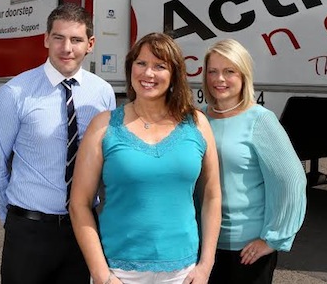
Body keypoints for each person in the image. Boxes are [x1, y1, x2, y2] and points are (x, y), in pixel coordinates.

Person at [0, 3, 116, 284]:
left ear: (90, 44)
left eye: (76, 40)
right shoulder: (14, 93)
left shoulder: (103, 93)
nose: (67, 48)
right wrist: (13, 221)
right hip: (29, 230)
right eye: (58, 37)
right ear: (46, 39)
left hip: (83, 229)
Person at [69, 32, 221, 284]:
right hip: (119, 272)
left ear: (174, 75)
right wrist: (101, 274)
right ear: (130, 69)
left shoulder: (197, 124)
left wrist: (205, 265)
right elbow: (79, 204)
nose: (148, 74)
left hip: (182, 272)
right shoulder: (104, 126)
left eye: (159, 66)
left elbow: (212, 196)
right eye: (141, 63)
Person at [201, 39, 307, 284]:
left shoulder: (260, 120)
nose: (220, 79)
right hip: (204, 242)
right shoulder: (199, 117)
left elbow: (291, 180)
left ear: (243, 75)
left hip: (245, 248)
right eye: (213, 71)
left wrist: (273, 239)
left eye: (229, 71)